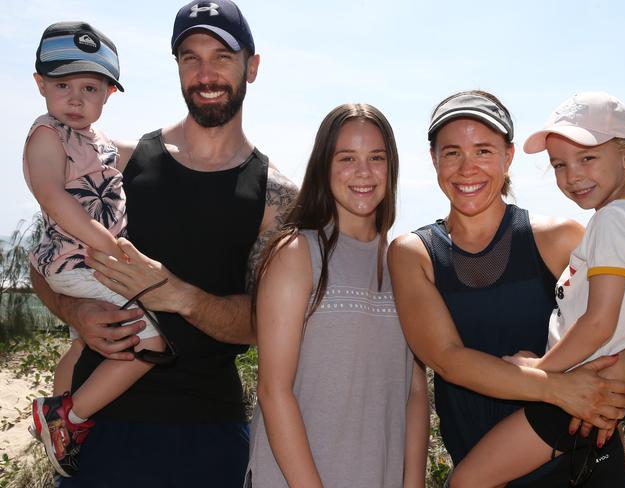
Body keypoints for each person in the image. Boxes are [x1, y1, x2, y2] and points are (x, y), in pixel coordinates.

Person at [29, 1, 297, 486]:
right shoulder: (119, 162)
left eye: (222, 56)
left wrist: (178, 295)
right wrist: (74, 310)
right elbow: (41, 261)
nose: (205, 72)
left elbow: (264, 324)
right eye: (190, 57)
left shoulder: (276, 197)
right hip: (97, 429)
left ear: (252, 67)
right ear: (175, 67)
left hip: (210, 432)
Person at [388, 90, 625, 486]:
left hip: (581, 466)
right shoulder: (415, 253)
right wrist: (555, 387)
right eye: (452, 152)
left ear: (508, 157)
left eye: (484, 151)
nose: (467, 168)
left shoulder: (560, 239)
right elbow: (446, 358)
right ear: (433, 159)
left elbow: (623, 327)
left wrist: (621, 369)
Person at [245, 103, 429, 487]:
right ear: (324, 166)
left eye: (376, 158)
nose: (363, 172)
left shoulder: (404, 263)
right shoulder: (296, 254)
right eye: (347, 158)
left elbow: (413, 392)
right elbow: (272, 390)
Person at [24, 21, 169, 478]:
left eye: (89, 87)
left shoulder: (100, 143)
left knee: (81, 343)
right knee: (152, 337)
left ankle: (54, 423)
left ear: (109, 94)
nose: (74, 98)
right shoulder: (48, 134)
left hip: (85, 262)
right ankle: (72, 418)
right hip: (79, 261)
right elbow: (53, 196)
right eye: (62, 84)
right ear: (40, 85)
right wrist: (110, 246)